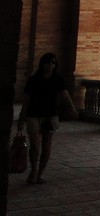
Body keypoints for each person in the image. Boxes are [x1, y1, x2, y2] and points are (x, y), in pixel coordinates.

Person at [18, 52, 77, 184]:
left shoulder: (58, 80)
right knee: (35, 145)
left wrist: (72, 108)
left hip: (51, 115)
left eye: (52, 63)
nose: (49, 65)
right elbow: (26, 99)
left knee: (47, 145)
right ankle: (33, 170)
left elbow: (64, 95)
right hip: (34, 114)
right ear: (42, 64)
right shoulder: (34, 80)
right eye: (47, 62)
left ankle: (40, 173)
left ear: (55, 65)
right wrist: (22, 116)